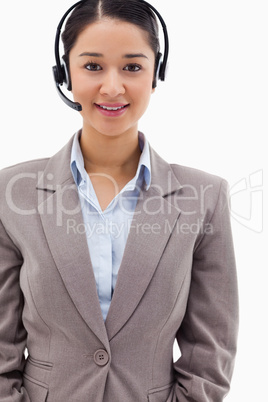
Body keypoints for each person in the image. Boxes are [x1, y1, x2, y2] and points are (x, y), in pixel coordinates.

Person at [0, 0, 239, 401]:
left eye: (132, 66)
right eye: (93, 66)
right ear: (66, 74)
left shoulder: (205, 198)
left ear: (155, 74)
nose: (112, 87)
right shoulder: (13, 194)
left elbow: (211, 352)